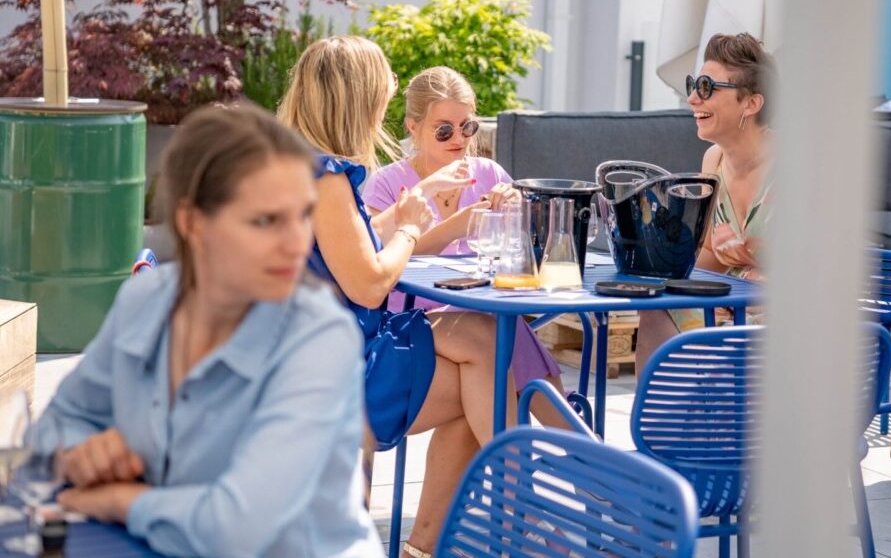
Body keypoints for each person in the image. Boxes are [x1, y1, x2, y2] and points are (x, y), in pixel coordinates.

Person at [38, 104, 380, 557]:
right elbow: (58, 421)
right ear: (193, 222)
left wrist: (124, 500)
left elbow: (238, 529)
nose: (297, 242)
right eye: (265, 220)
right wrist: (79, 452)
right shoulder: (148, 301)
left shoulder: (318, 337)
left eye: (303, 216)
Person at [278, 37, 513, 558]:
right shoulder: (328, 176)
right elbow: (368, 281)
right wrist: (410, 229)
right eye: (380, 100)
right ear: (356, 102)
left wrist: (419, 202)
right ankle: (523, 518)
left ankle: (424, 548)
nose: (382, 112)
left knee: (481, 367)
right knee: (487, 359)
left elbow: (352, 242)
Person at [362, 66, 565, 420]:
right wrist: (455, 228)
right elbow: (382, 261)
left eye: (467, 126)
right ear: (413, 127)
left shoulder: (488, 173)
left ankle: (565, 455)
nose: (458, 138)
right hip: (411, 313)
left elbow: (524, 252)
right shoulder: (387, 183)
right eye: (443, 130)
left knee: (504, 332)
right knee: (503, 334)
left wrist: (519, 216)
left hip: (477, 307)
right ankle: (573, 452)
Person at [636, 32, 775, 371]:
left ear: (751, 103)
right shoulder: (713, 162)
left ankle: (705, 420)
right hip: (735, 306)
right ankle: (657, 424)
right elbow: (711, 254)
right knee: (657, 310)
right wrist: (658, 269)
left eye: (707, 88)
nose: (693, 99)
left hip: (792, 317)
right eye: (693, 86)